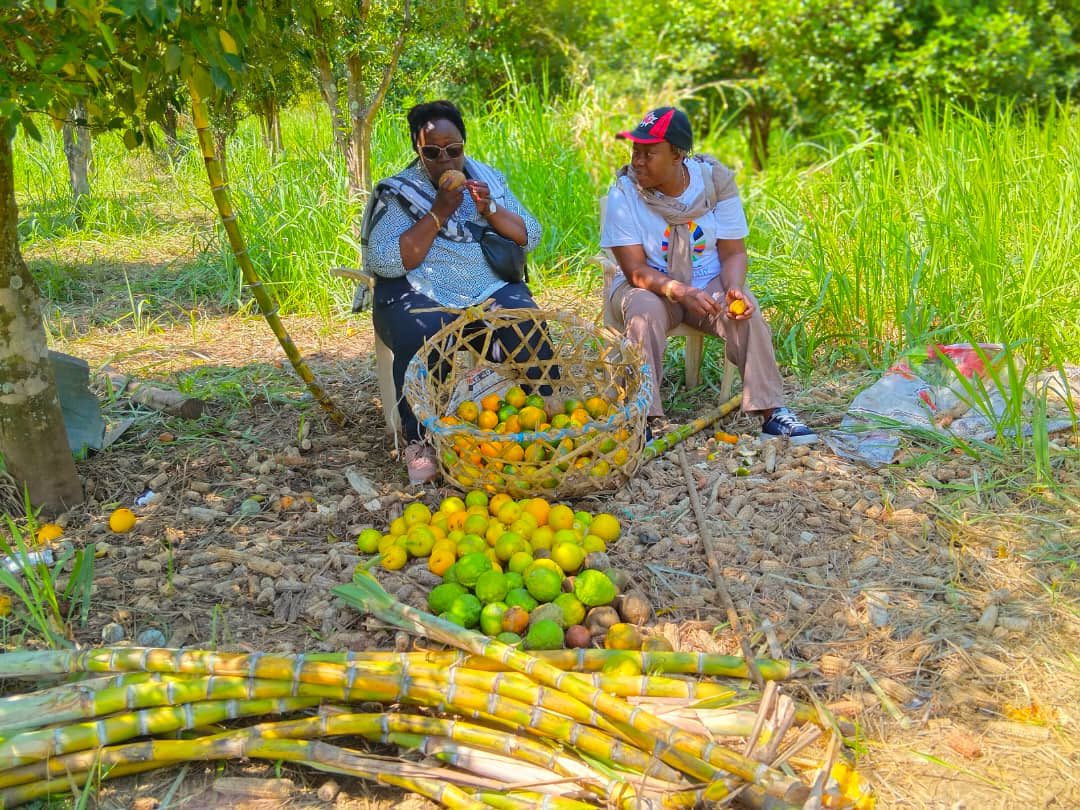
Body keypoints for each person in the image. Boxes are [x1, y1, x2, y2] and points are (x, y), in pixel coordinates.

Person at [600, 106, 817, 444]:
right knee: (645, 312)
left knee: (746, 313)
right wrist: (679, 290)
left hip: (708, 285)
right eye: (635, 151)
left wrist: (733, 289)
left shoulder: (714, 183)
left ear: (677, 154)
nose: (638, 160)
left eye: (649, 152)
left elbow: (733, 252)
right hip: (649, 288)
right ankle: (639, 416)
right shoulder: (624, 193)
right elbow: (635, 270)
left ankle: (772, 412)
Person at [360, 100, 545, 483]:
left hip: (485, 283)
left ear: (464, 145)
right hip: (418, 288)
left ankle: (540, 415)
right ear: (417, 148)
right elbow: (388, 260)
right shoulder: (399, 193)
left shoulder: (487, 181)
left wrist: (489, 208)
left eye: (454, 151)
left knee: (525, 320)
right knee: (420, 334)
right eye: (432, 152)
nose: (445, 161)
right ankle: (421, 439)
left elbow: (530, 235)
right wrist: (439, 211)